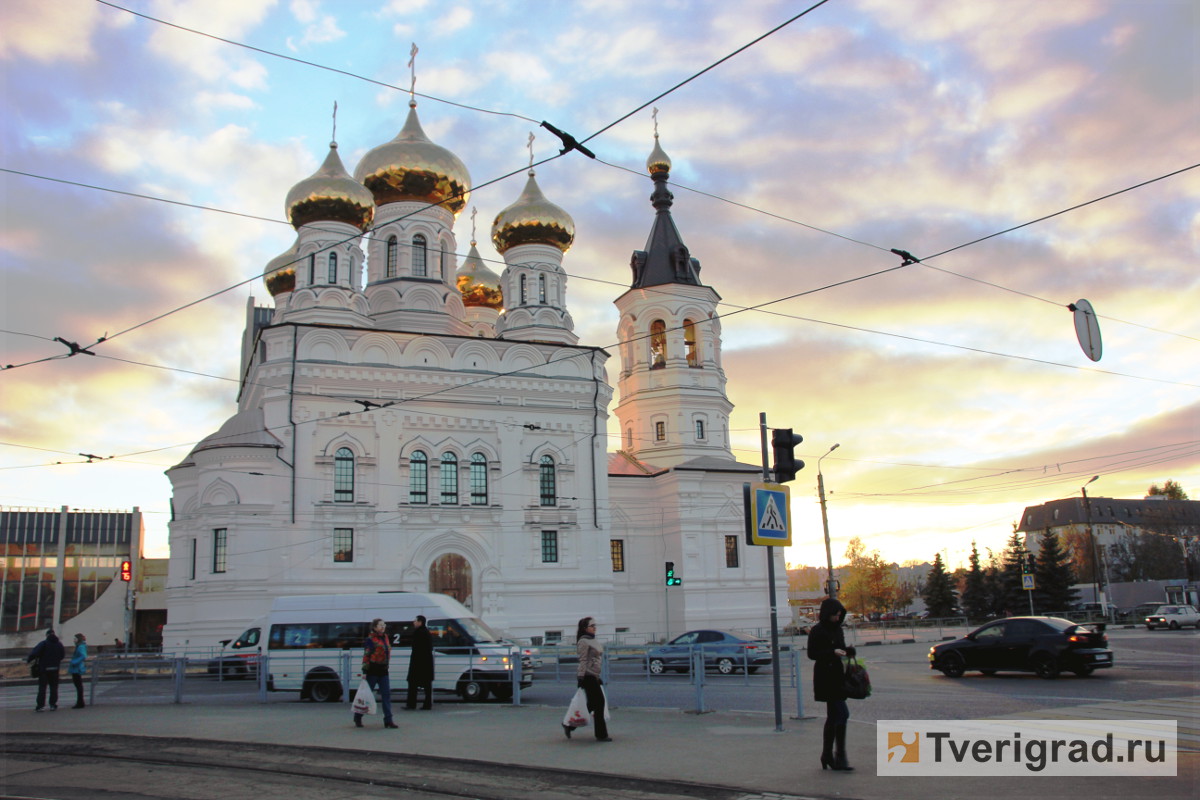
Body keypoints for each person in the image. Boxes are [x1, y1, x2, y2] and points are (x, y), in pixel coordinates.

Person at [808, 598, 855, 771]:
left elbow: (841, 648)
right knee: (842, 714)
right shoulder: (817, 630)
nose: (837, 618)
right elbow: (812, 654)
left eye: (839, 615)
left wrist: (848, 651)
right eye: (835, 615)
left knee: (834, 716)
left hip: (837, 676)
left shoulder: (838, 629)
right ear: (827, 614)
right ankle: (839, 756)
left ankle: (828, 755)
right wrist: (831, 652)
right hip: (825, 677)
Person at [568, 616, 611, 742]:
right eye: (592, 626)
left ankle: (569, 725)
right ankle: (601, 735)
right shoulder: (583, 641)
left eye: (595, 626)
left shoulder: (592, 640)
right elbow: (583, 660)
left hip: (593, 675)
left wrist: (598, 677)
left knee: (592, 705)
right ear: (585, 628)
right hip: (587, 676)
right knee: (599, 703)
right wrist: (581, 677)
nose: (595, 628)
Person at [355, 618, 397, 729]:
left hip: (383, 670)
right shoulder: (370, 639)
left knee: (386, 695)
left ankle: (388, 720)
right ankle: (358, 716)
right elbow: (366, 655)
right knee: (366, 696)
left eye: (384, 624)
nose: (383, 627)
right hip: (372, 670)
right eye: (380, 625)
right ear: (374, 627)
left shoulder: (386, 638)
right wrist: (364, 671)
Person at [27, 629, 66, 712]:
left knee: (42, 688)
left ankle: (41, 706)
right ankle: (53, 705)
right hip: (55, 669)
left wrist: (29, 660)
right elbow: (62, 655)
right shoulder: (59, 644)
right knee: (54, 687)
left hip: (44, 669)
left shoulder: (44, 643)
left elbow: (34, 653)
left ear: (47, 635)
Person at [405, 614, 434, 710]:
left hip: (418, 663)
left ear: (420, 622)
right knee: (427, 685)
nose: (414, 622)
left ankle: (411, 704)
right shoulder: (427, 632)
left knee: (412, 683)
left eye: (415, 621)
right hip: (427, 663)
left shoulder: (418, 633)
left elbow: (415, 648)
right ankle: (427, 704)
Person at [68, 633, 88, 709]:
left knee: (78, 686)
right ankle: (80, 702)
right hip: (76, 668)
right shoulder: (80, 646)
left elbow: (83, 656)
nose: (74, 640)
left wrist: (74, 662)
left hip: (77, 668)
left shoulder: (80, 647)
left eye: (75, 639)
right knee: (78, 686)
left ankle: (80, 702)